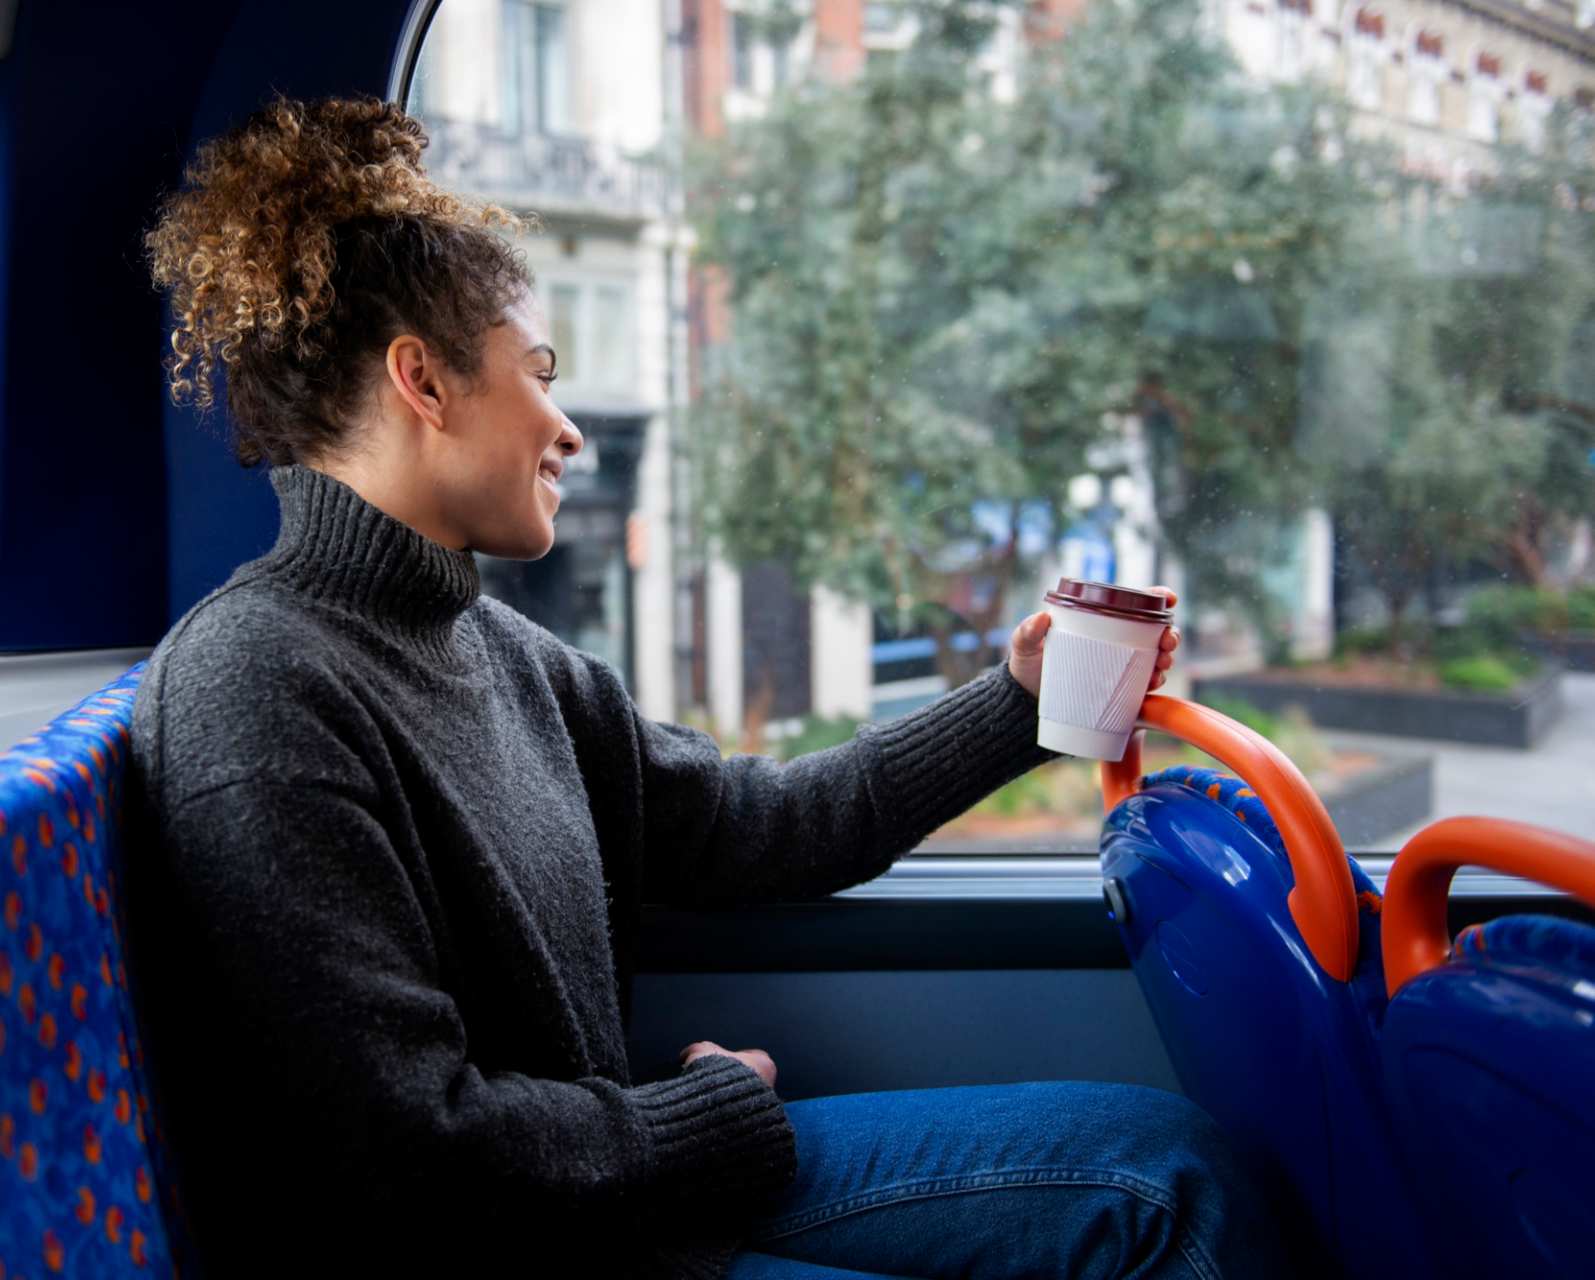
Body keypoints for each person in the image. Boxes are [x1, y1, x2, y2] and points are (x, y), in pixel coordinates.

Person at [127, 97, 1285, 1279]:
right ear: (423, 382)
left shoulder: (505, 656)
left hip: (632, 1202)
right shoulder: (255, 689)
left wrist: (1022, 700)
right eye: (538, 372)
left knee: (1175, 1174)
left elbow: (755, 825)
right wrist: (708, 1113)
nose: (568, 428)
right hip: (545, 1248)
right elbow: (416, 1157)